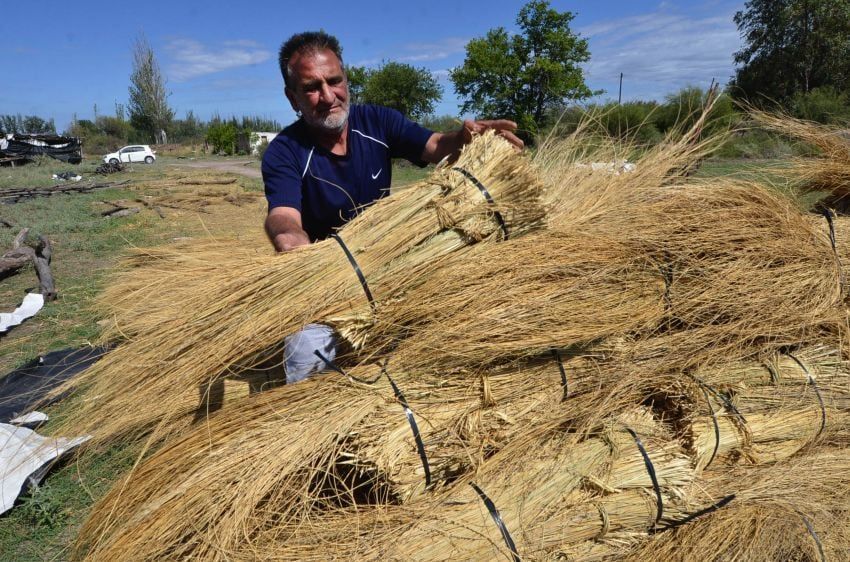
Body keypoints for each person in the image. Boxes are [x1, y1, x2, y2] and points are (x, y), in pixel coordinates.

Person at [262, 31, 522, 383]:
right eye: (311, 87)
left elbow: (434, 145)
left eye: (334, 81)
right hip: (326, 283)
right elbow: (283, 215)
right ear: (292, 98)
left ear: (346, 80)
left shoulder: (377, 122)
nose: (327, 96)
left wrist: (464, 140)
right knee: (305, 351)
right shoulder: (284, 151)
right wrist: (292, 242)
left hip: (391, 267)